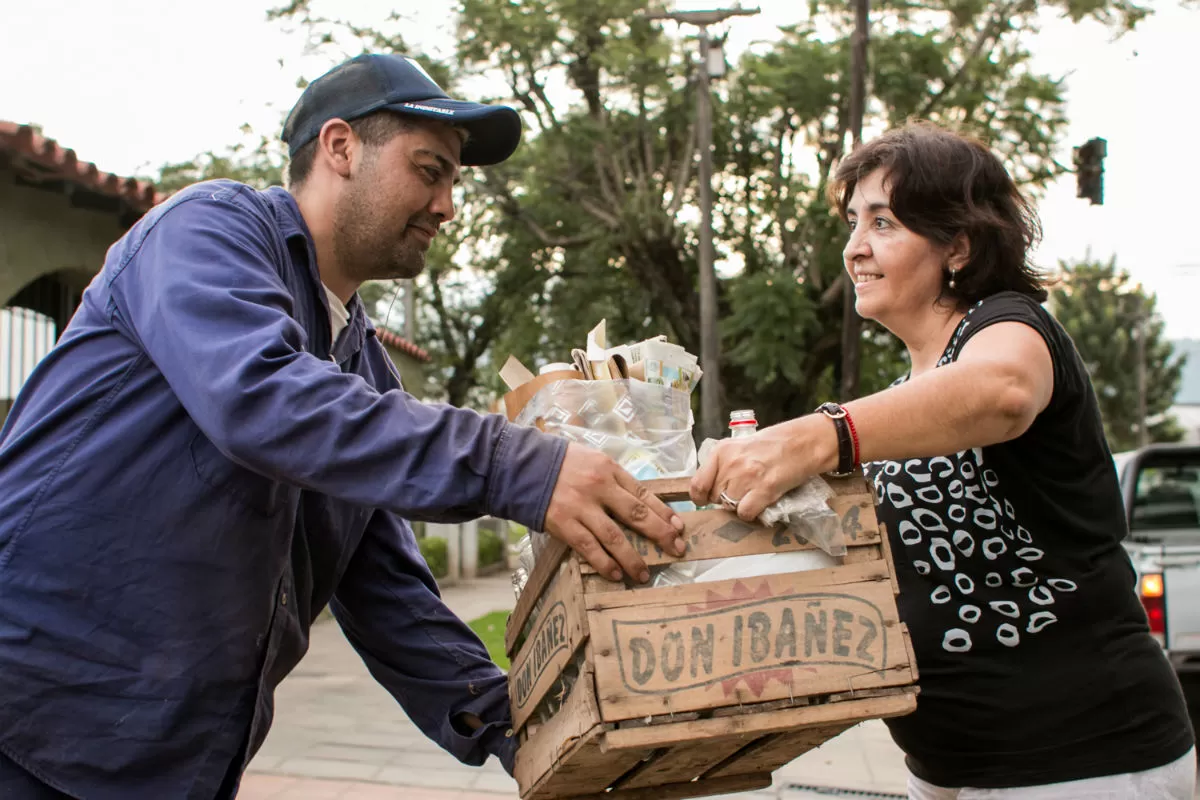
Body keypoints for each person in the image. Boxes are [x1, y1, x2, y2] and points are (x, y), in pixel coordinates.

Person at [0, 53, 688, 799]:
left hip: (170, 770)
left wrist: (524, 732)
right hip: (31, 728)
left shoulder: (360, 366)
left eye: (455, 181)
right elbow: (262, 399)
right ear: (339, 148)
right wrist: (520, 465)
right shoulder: (205, 230)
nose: (448, 204)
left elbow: (387, 590)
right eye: (430, 170)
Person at [691, 121, 1196, 798]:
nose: (856, 248)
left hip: (1082, 761)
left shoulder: (1009, 326)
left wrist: (816, 436)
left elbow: (1003, 392)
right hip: (949, 770)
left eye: (884, 223)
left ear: (957, 244)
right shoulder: (908, 397)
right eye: (852, 222)